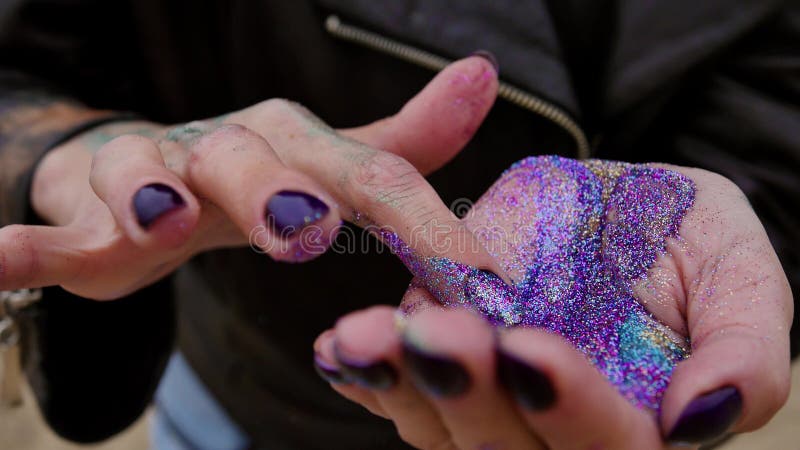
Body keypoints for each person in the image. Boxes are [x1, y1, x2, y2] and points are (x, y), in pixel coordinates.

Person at [0, 1, 797, 449]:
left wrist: (736, 250)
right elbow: (24, 71)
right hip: (246, 404)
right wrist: (73, 154)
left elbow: (773, 140)